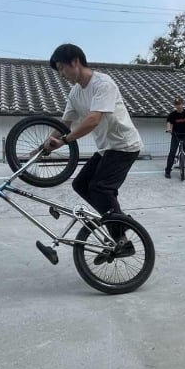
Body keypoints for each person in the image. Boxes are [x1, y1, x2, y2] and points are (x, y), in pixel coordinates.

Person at [42, 43, 142, 262]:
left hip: (124, 146)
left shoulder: (103, 83)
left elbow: (93, 120)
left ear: (75, 61)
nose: (61, 74)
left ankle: (122, 238)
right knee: (81, 184)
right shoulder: (75, 93)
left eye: (62, 68)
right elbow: (65, 123)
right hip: (107, 148)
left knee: (100, 187)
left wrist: (64, 141)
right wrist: (47, 143)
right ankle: (119, 220)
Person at [165, 95, 185, 180]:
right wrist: (168, 129)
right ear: (175, 105)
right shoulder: (173, 114)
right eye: (176, 104)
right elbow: (169, 122)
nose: (178, 106)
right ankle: (167, 171)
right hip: (175, 135)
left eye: (179, 104)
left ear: (182, 104)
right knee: (172, 153)